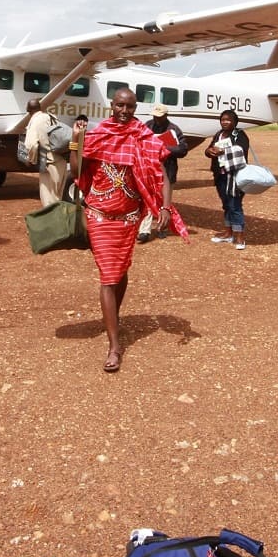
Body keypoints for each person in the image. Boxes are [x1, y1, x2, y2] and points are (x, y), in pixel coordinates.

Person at [70, 89, 187, 372]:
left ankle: (113, 317)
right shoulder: (99, 133)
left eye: (130, 106)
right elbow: (76, 169)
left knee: (120, 271)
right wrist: (76, 140)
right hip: (99, 215)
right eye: (120, 105)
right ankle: (114, 345)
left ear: (136, 107)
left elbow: (162, 176)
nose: (124, 110)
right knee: (109, 275)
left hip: (129, 217)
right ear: (111, 105)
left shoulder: (143, 136)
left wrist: (165, 208)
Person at [137, 104, 188, 242]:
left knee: (165, 202)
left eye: (159, 117)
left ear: (166, 115)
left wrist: (164, 147)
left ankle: (162, 228)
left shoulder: (174, 129)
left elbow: (183, 149)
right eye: (155, 116)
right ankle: (144, 231)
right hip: (149, 170)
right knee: (147, 200)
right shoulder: (147, 125)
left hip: (168, 171)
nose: (156, 119)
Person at [206, 109, 251, 250]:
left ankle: (239, 235)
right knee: (226, 203)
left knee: (235, 204)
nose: (224, 122)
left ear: (234, 122)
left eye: (228, 120)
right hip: (220, 174)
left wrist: (223, 151)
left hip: (234, 175)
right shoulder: (219, 134)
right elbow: (208, 149)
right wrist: (209, 151)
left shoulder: (240, 134)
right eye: (223, 119)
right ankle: (228, 232)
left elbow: (242, 149)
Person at [22, 98, 69, 207]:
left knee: (48, 199)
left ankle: (53, 222)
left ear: (29, 110)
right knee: (58, 196)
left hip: (49, 163)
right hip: (61, 161)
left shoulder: (35, 120)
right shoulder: (51, 117)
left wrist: (30, 160)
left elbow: (31, 144)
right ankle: (59, 221)